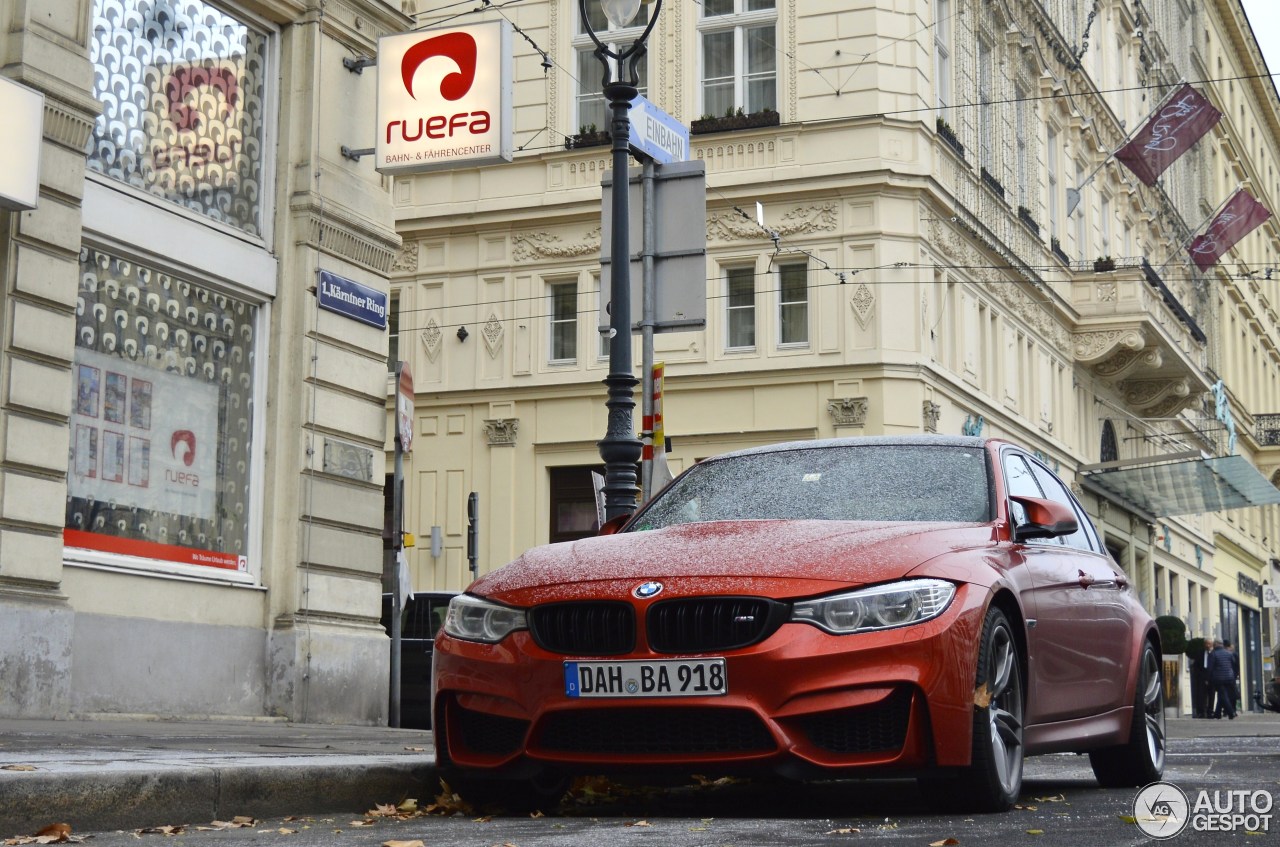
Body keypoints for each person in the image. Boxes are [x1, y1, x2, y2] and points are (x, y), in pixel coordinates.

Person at [1208, 638, 1237, 720]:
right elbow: (1233, 664)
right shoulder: (1229, 653)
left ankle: (1231, 712)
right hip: (1229, 677)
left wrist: (1208, 678)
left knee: (1223, 695)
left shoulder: (1213, 654)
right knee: (1222, 695)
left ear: (1216, 644)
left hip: (1219, 678)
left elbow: (1210, 668)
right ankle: (1217, 713)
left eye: (1214, 643)